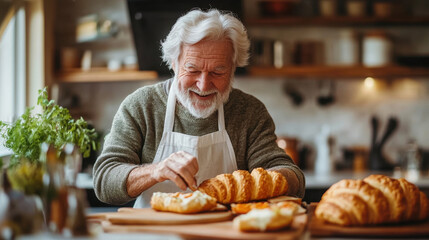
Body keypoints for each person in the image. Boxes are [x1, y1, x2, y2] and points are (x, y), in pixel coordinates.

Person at [93, 9, 305, 208]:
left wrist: (252, 182)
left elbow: (294, 178)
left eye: (218, 72)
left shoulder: (248, 112)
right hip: (154, 234)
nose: (203, 85)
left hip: (225, 234)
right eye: (192, 69)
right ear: (174, 63)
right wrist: (156, 171)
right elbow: (104, 180)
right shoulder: (142, 106)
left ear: (233, 68)